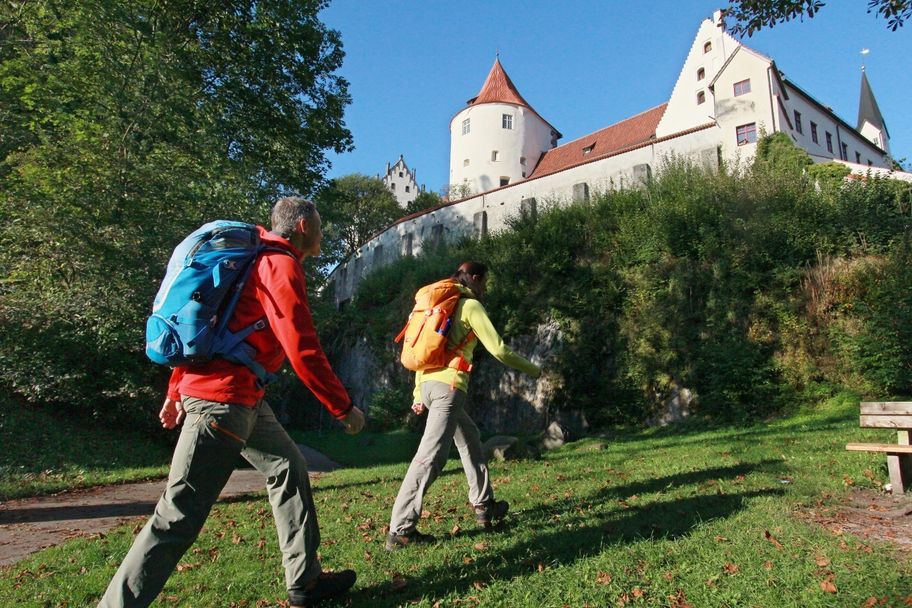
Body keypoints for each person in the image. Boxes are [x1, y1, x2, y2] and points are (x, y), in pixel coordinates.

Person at [99, 197, 365, 608]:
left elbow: (215, 330)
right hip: (223, 401)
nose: (323, 233)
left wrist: (175, 390)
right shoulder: (279, 263)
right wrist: (342, 408)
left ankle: (305, 581)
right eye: (319, 225)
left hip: (242, 397)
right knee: (177, 516)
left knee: (287, 466)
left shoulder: (256, 259)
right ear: (300, 228)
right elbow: (301, 345)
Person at [385, 262, 541, 550]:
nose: (485, 290)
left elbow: (426, 355)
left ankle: (484, 505)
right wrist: (534, 370)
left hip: (431, 387)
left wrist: (419, 393)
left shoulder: (442, 305)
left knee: (469, 437)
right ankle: (401, 529)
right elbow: (499, 349)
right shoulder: (469, 306)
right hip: (449, 389)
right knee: (431, 456)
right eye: (485, 283)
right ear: (477, 279)